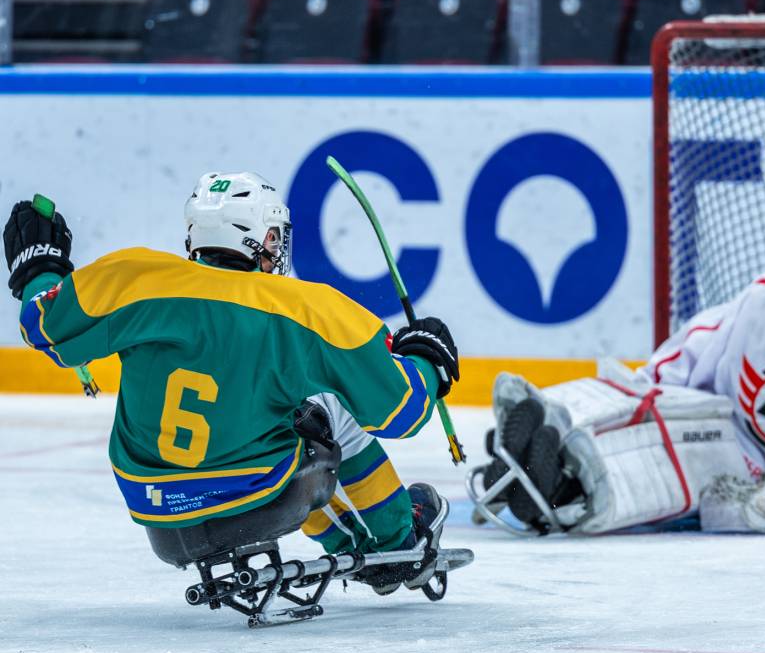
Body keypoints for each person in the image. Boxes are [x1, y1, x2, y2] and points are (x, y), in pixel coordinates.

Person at [6, 171, 460, 592]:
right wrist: (425, 360)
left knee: (298, 416)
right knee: (331, 412)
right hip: (259, 498)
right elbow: (401, 410)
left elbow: (42, 323)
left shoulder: (135, 279)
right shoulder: (306, 310)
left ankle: (358, 540)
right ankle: (398, 542)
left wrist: (38, 266)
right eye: (274, 237)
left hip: (156, 511)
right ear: (258, 238)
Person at [468, 222, 765, 535]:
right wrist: (628, 406)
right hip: (727, 436)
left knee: (645, 485)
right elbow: (684, 360)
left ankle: (561, 494)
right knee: (636, 418)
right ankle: (550, 436)